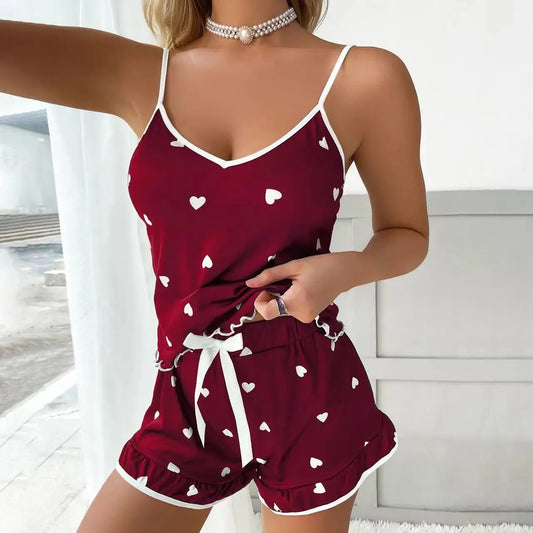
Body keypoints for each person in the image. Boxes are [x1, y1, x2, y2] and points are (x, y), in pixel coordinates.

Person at [0, 0, 429, 531]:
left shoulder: (363, 76)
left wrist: (342, 270)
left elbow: (407, 236)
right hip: (187, 396)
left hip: (309, 393)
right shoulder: (139, 74)